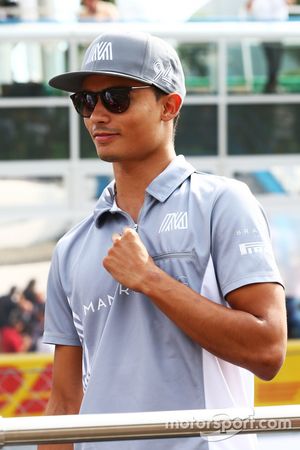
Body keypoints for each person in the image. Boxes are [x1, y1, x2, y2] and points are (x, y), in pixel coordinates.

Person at [40, 31, 287, 450]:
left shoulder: (224, 203)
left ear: (168, 106)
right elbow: (65, 405)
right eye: (85, 101)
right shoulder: (71, 247)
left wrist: (150, 279)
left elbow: (268, 350)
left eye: (116, 98)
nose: (97, 115)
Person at [246, 0, 294, 93]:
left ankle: (271, 84)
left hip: (276, 32)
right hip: (266, 33)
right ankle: (271, 85)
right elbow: (249, 7)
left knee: (275, 60)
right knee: (273, 60)